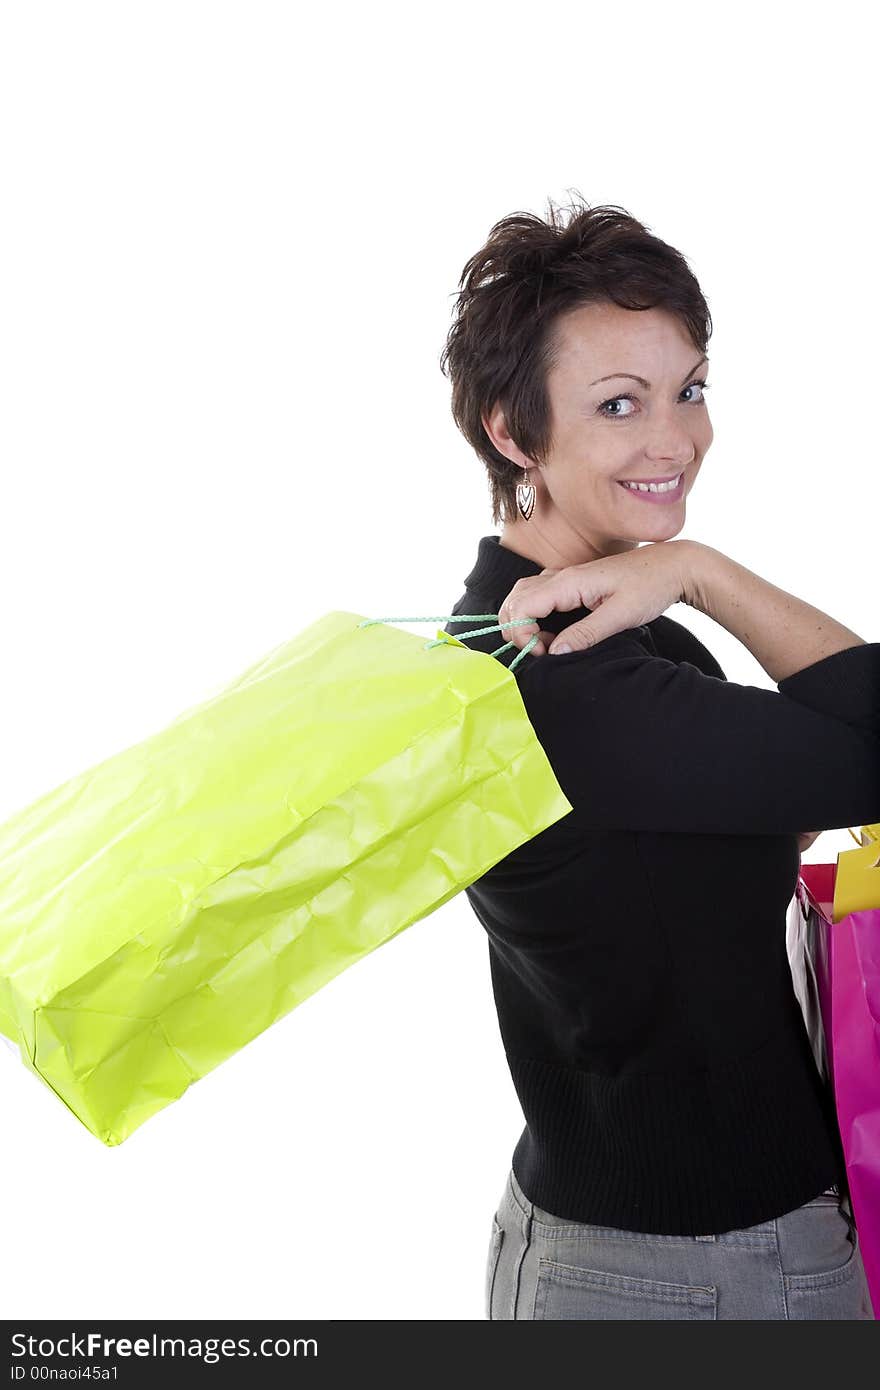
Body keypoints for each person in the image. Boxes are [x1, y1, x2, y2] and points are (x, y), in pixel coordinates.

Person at [439, 194, 879, 1319]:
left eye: (688, 389)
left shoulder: (534, 623)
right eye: (617, 404)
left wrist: (677, 585)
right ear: (511, 430)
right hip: (690, 1275)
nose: (672, 438)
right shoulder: (579, 683)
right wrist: (702, 567)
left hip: (634, 1248)